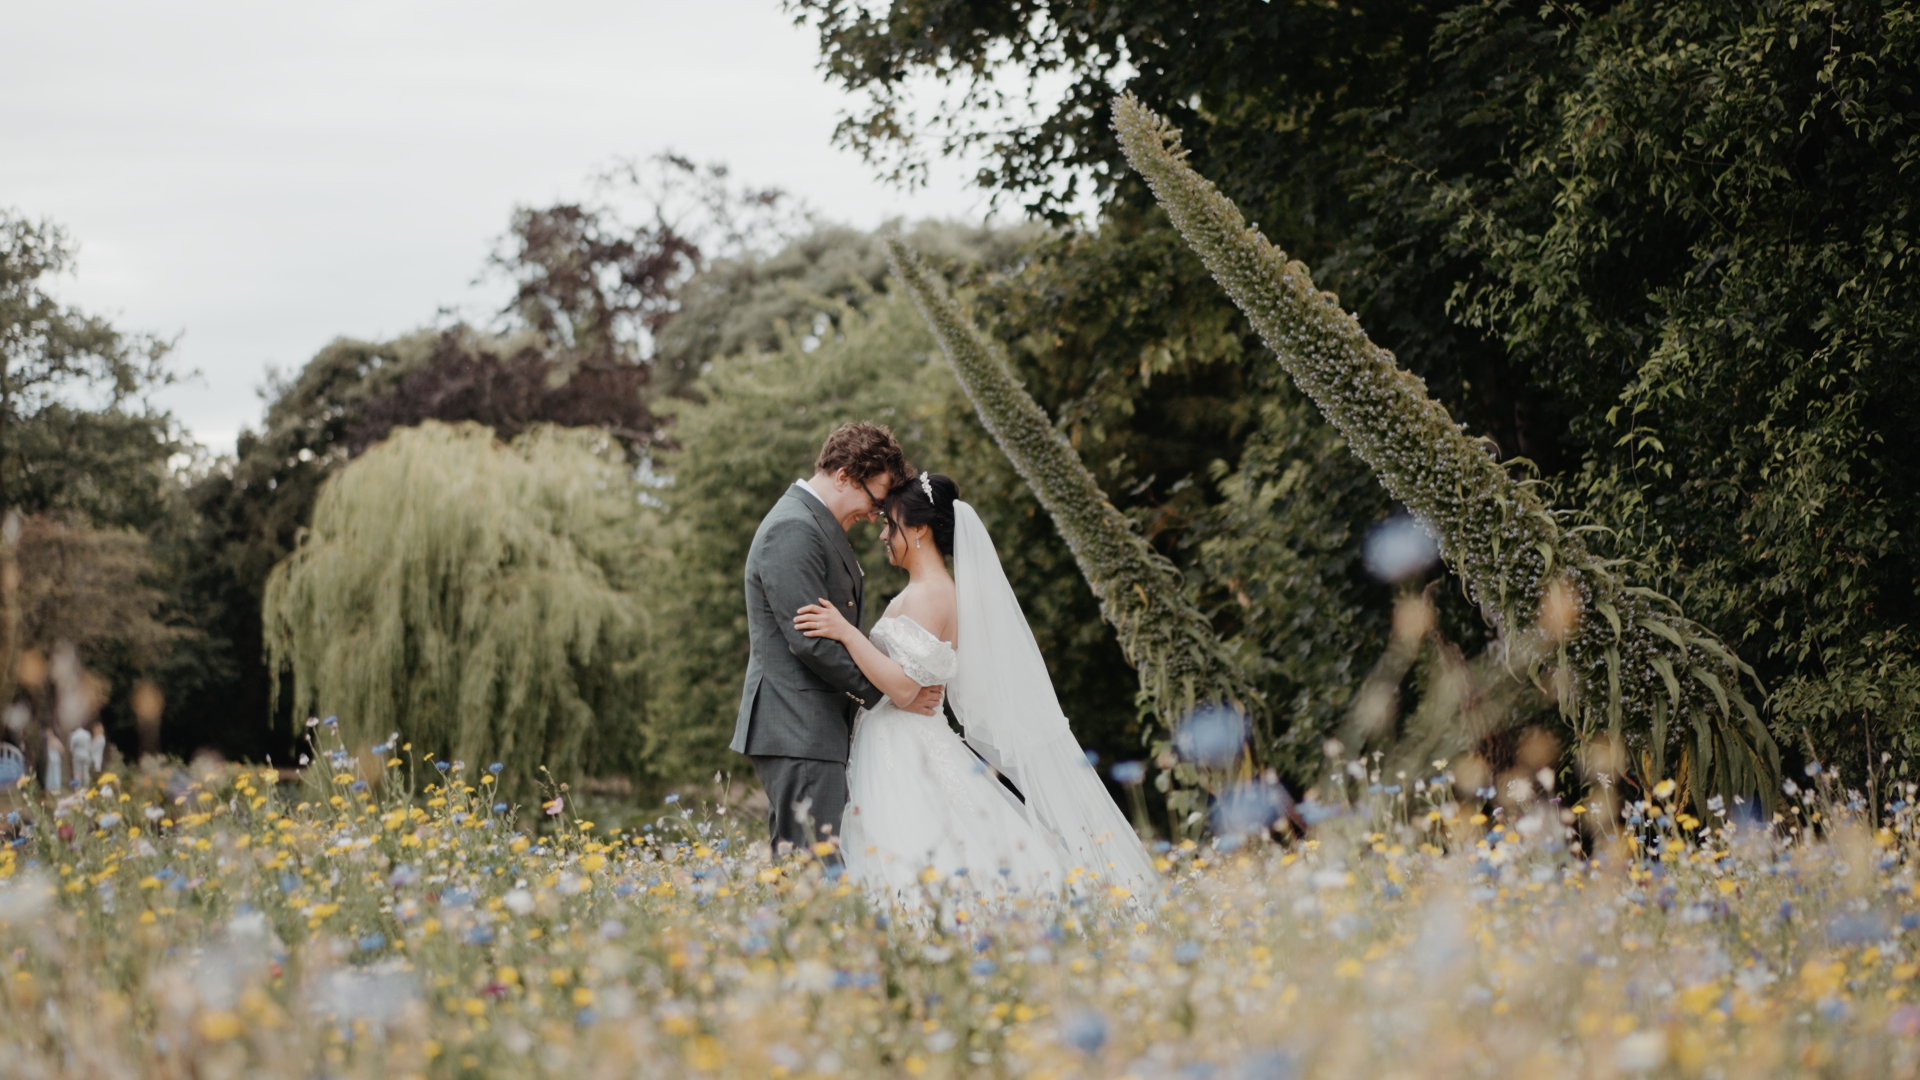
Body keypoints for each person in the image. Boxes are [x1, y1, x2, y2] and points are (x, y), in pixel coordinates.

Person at [795, 473, 1156, 905]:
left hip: (908, 749)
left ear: (919, 528)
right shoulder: (923, 591)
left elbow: (905, 687)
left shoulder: (930, 595)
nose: (883, 534)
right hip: (896, 741)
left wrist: (845, 633)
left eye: (890, 524)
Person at [730, 422, 942, 859]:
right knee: (811, 868)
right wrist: (891, 694)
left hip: (813, 727)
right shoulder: (793, 529)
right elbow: (811, 641)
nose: (875, 515)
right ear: (844, 475)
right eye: (875, 500)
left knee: (815, 867)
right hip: (797, 725)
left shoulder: (813, 525)